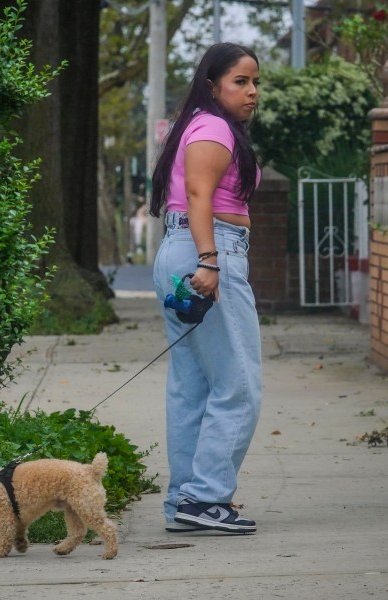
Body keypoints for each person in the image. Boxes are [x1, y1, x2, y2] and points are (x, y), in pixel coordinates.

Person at [149, 42, 262, 534]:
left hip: (184, 249)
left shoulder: (197, 124)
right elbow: (199, 194)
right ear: (213, 84)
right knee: (238, 385)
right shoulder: (214, 127)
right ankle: (206, 497)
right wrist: (210, 260)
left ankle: (184, 502)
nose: (252, 91)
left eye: (256, 82)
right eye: (241, 81)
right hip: (208, 252)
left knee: (192, 387)